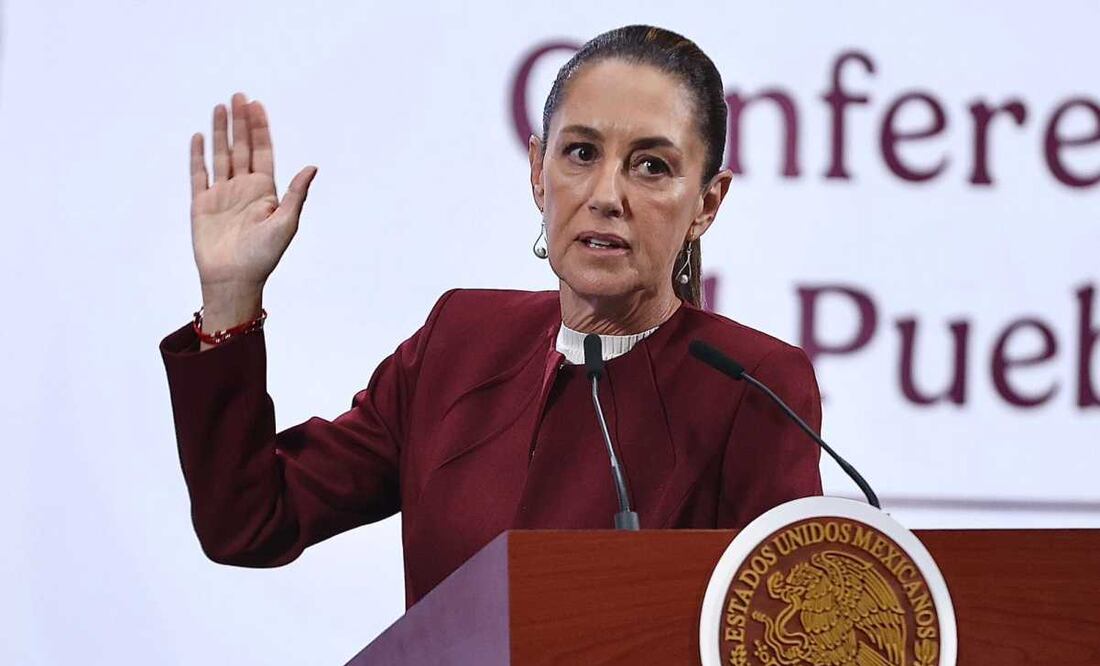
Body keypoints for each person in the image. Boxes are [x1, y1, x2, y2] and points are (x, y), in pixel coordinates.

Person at [160, 25, 823, 608]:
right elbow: (250, 522)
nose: (606, 196)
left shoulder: (751, 385)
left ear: (707, 204)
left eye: (651, 166)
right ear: (538, 171)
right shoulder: (461, 340)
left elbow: (784, 625)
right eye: (581, 153)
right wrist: (230, 296)